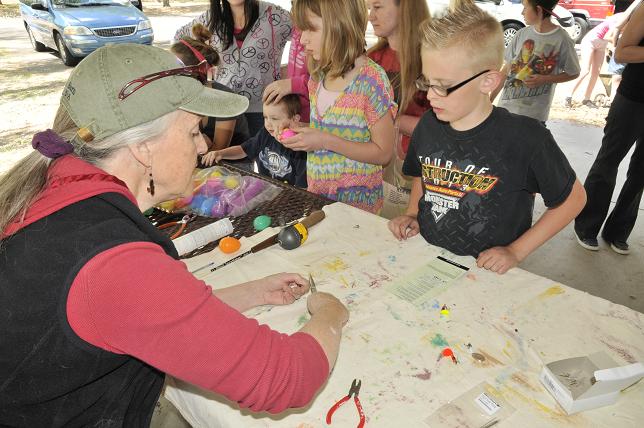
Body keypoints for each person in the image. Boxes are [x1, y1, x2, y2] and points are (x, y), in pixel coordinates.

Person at [0, 44, 349, 426]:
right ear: (143, 147)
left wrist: (252, 293)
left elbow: (132, 313)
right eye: (194, 131)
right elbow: (285, 378)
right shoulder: (113, 262)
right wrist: (331, 314)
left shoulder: (56, 185)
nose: (202, 145)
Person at [388, 2, 587, 275]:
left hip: (489, 273)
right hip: (429, 258)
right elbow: (421, 175)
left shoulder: (525, 138)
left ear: (488, 82)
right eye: (427, 82)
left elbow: (573, 199)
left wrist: (516, 251)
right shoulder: (428, 126)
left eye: (443, 87)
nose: (429, 96)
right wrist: (412, 213)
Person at [283, 0, 397, 214]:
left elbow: (383, 153)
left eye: (310, 29)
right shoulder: (318, 77)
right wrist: (302, 132)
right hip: (319, 201)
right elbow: (333, 129)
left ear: (340, 26)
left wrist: (324, 140)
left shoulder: (371, 80)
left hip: (357, 211)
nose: (302, 39)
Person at [574, 3, 644, 255]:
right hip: (633, 99)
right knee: (608, 162)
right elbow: (622, 53)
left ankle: (618, 231)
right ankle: (587, 225)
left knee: (640, 173)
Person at [174, 0, 292, 137]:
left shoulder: (275, 16)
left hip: (263, 110)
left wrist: (290, 77)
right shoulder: (210, 19)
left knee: (260, 156)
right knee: (222, 156)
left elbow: (308, 38)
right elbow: (179, 39)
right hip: (223, 109)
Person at [366, 0, 432, 219]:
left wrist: (393, 120)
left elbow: (448, 128)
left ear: (405, 7)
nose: (370, 16)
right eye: (369, 9)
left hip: (419, 176)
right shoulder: (371, 59)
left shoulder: (432, 60)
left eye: (377, 7)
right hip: (375, 173)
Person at [171, 24, 251, 167]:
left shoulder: (224, 99)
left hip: (235, 164)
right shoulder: (180, 96)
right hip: (202, 159)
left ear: (194, 74)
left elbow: (218, 150)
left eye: (173, 72)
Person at [492, 0, 580, 124]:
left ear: (538, 10)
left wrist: (545, 79)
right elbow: (506, 70)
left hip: (534, 117)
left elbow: (574, 72)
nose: (522, 12)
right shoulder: (521, 34)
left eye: (525, 8)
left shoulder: (562, 39)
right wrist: (489, 101)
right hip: (506, 111)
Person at [202, 94, 307, 188]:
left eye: (274, 119)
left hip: (289, 198)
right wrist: (221, 153)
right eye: (265, 117)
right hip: (265, 190)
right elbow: (243, 150)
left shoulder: (300, 147)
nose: (268, 124)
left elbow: (302, 187)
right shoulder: (265, 133)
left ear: (294, 119)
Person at [263, 1, 311, 123]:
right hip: (295, 113)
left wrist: (292, 84)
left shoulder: (315, 36)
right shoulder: (297, 28)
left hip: (313, 118)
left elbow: (325, 80)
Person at [565, 15, 620, 108]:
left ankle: (587, 99)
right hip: (591, 41)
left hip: (602, 45)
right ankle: (568, 96)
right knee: (585, 70)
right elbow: (609, 36)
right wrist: (617, 45)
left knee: (596, 72)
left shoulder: (627, 21)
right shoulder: (619, 19)